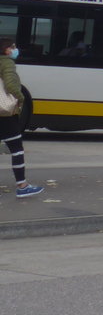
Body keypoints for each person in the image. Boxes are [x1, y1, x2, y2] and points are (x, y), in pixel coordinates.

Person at [0, 38, 44, 199]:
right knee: (17, 149)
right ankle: (22, 186)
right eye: (13, 47)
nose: (15, 49)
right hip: (5, 115)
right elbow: (11, 85)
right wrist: (20, 98)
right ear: (6, 50)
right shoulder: (7, 63)